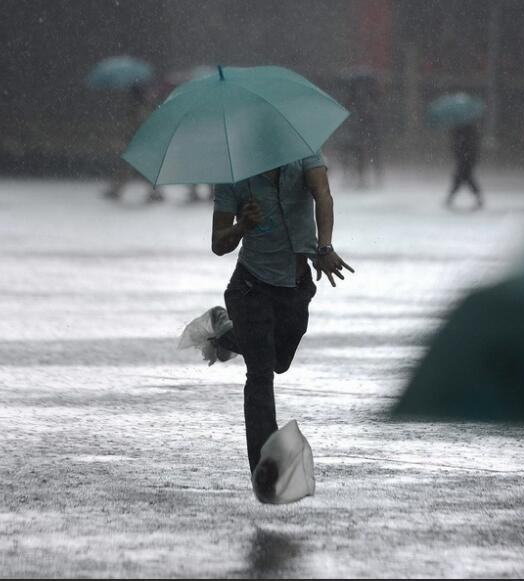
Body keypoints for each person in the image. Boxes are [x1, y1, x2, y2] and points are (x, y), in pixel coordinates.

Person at [181, 152, 353, 501]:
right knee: (260, 374)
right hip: (251, 288)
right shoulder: (233, 175)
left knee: (279, 360)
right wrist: (242, 225)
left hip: (296, 285)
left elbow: (322, 194)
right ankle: (267, 467)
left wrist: (324, 246)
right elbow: (218, 243)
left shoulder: (304, 155)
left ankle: (223, 331)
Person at [103, 85, 164, 203]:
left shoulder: (138, 109)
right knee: (142, 168)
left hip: (139, 143)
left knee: (128, 167)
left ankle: (117, 189)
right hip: (144, 143)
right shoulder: (144, 107)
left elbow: (135, 126)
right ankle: (155, 191)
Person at [446, 123, 483, 210]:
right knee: (465, 178)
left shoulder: (464, 131)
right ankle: (450, 197)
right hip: (466, 158)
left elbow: (463, 146)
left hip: (466, 158)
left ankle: (450, 197)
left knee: (462, 177)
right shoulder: (466, 130)